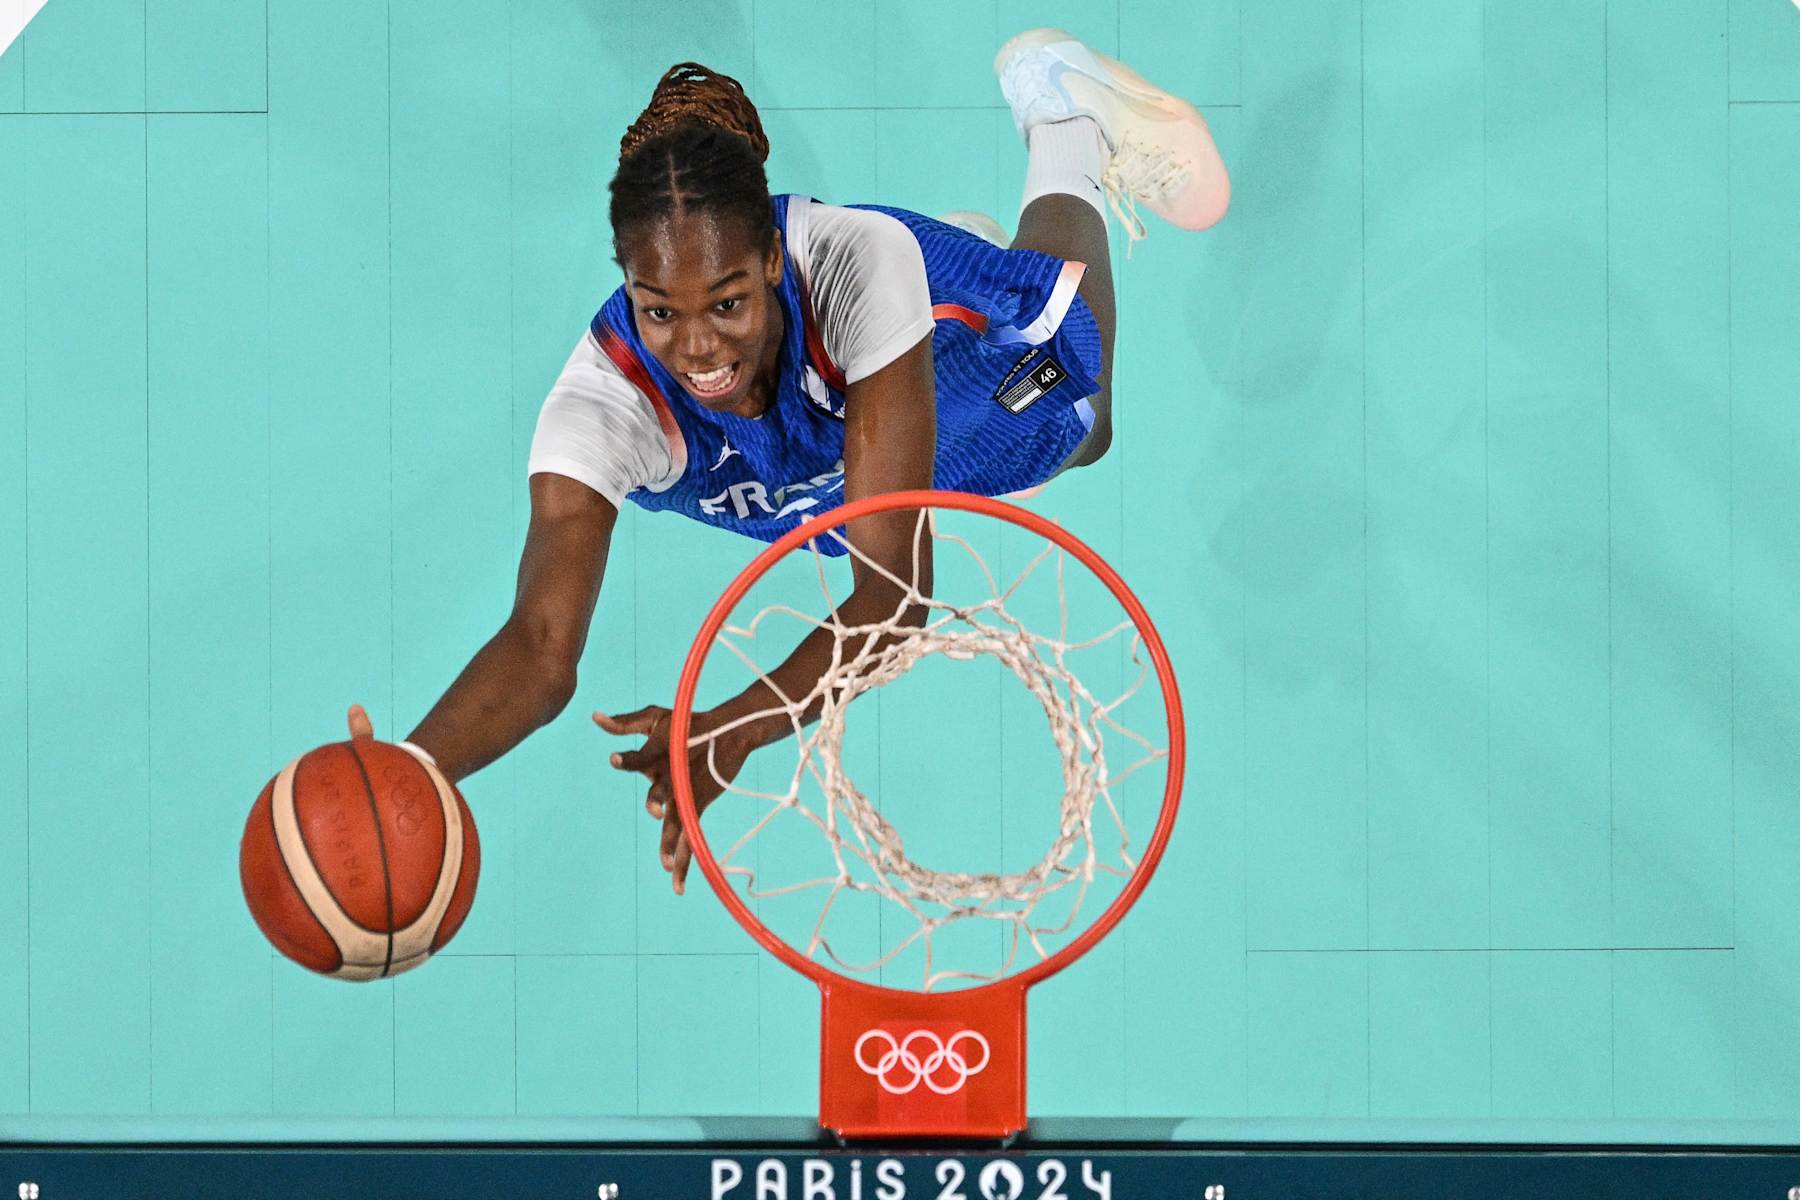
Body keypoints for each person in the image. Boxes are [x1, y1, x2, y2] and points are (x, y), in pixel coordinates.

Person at [346, 27, 1228, 893]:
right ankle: (920, 341)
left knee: (1084, 427)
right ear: (626, 283)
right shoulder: (603, 403)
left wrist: (731, 728)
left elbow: (895, 596)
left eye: (727, 303)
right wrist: (408, 773)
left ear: (771, 257)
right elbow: (541, 648)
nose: (698, 348)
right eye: (660, 312)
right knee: (872, 494)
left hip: (886, 327)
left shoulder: (850, 261)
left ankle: (1063, 114)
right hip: (824, 456)